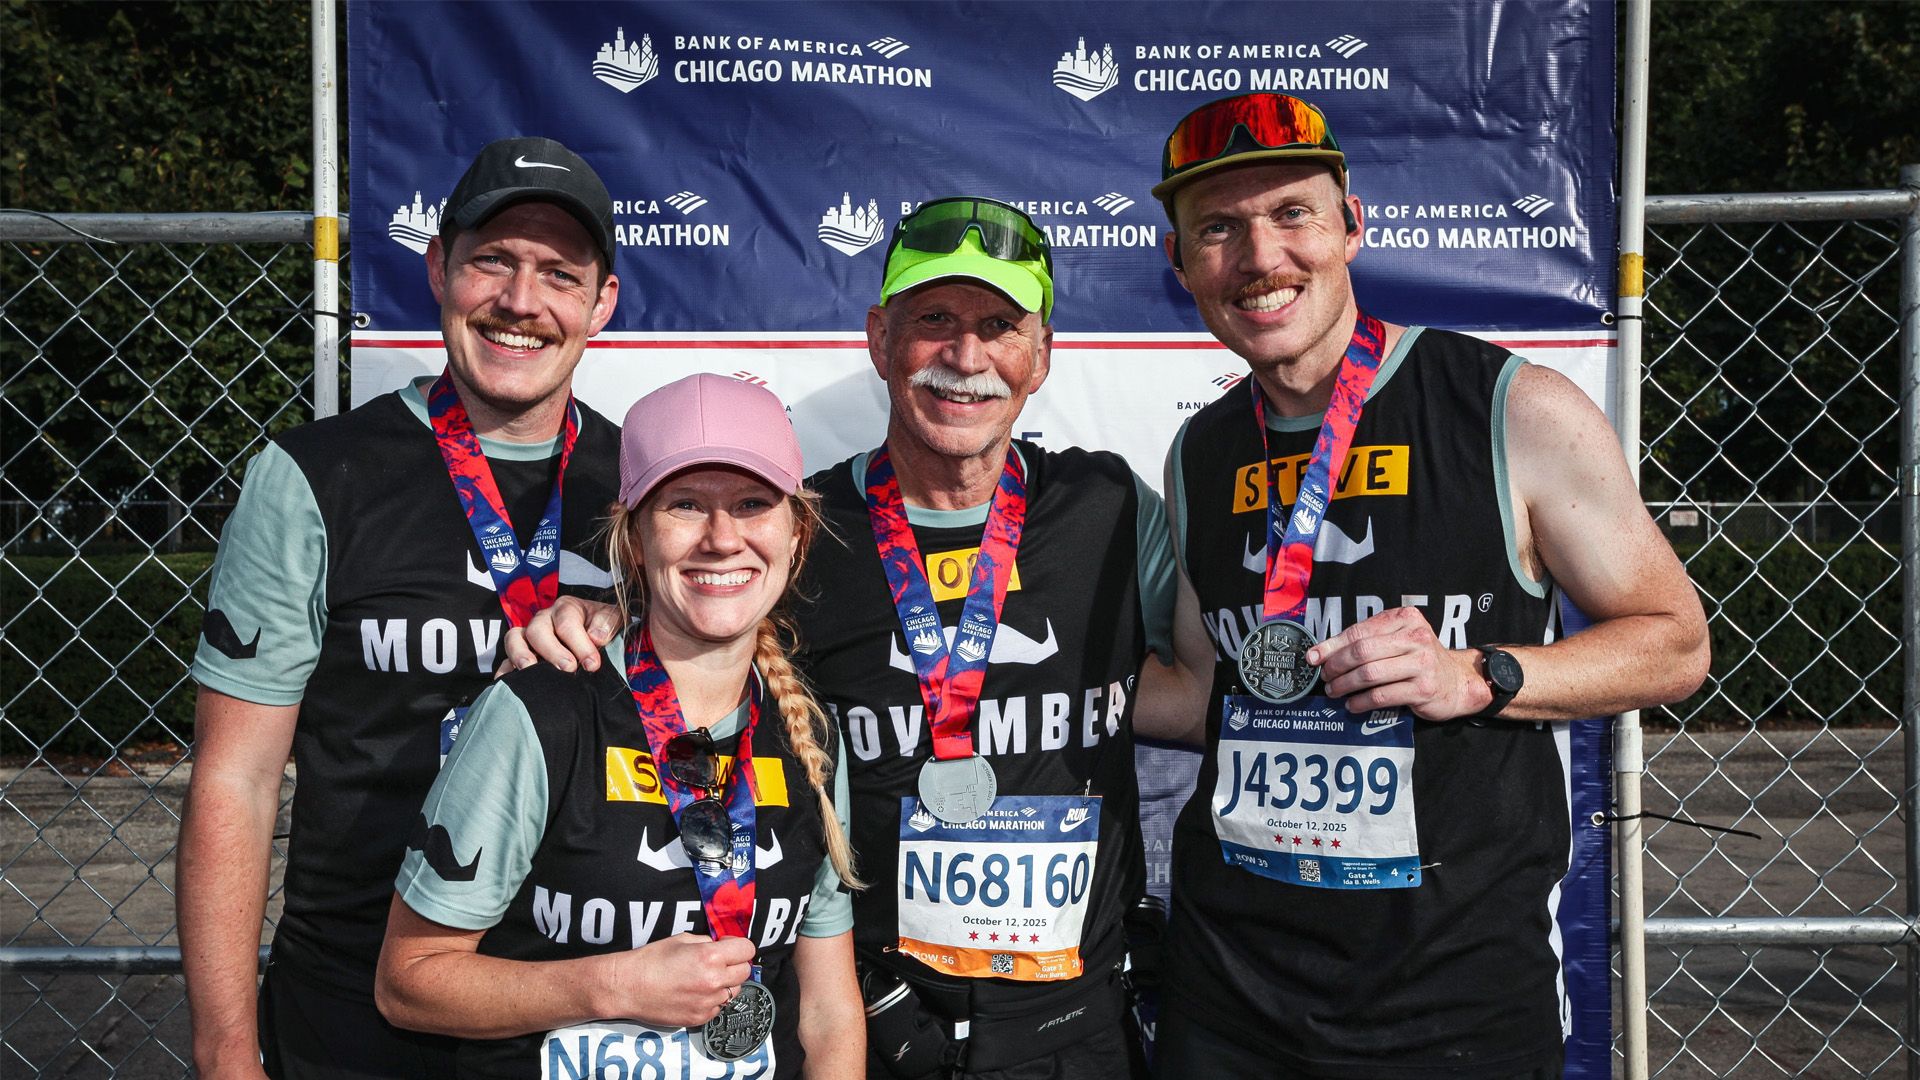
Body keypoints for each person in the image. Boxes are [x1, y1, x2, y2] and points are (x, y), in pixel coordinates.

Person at [513, 197, 1192, 1079]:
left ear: (1042, 356)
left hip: (1076, 1027)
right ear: (879, 339)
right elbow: (687, 654)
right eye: (933, 321)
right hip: (875, 1024)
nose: (966, 356)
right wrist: (605, 615)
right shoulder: (802, 536)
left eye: (999, 325)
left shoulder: (1109, 508)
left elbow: (1199, 683)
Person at [1145, 92, 1711, 1077]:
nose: (1260, 255)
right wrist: (1013, 683)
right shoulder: (1200, 452)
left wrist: (1480, 675)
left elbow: (1675, 640)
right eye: (1219, 229)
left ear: (1352, 227)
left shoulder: (1513, 406)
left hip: (1450, 1000)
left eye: (1291, 214)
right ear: (1182, 263)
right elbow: (1206, 698)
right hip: (1231, 994)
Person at [177, 136, 625, 1079]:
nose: (521, 301)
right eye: (492, 261)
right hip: (354, 1004)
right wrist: (225, 1052)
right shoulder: (314, 475)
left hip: (585, 1004)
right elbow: (236, 780)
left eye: (559, 273)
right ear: (439, 269)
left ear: (602, 304)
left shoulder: (648, 489)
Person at [373, 373, 864, 1078]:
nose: (722, 539)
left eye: (753, 504)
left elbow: (826, 1009)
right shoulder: (539, 713)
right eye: (686, 505)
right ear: (634, 537)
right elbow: (407, 982)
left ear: (798, 532)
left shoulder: (809, 734)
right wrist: (614, 986)